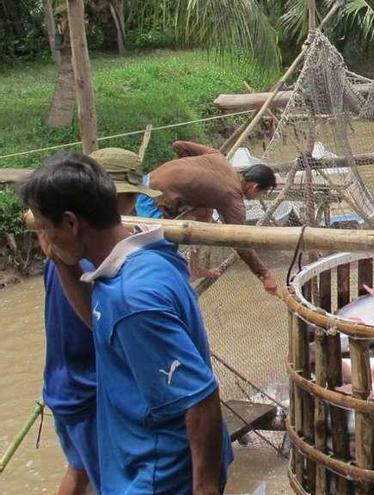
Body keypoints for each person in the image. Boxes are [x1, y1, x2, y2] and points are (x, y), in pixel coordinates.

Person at [22, 153, 233, 494]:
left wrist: (204, 488)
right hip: (143, 460)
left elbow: (201, 396)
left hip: (156, 474)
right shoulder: (146, 260)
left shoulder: (131, 298)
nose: (44, 237)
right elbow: (102, 326)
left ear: (72, 223)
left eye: (46, 228)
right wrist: (61, 263)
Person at [39, 147, 160, 495]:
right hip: (90, 393)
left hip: (62, 384)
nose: (135, 205)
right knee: (114, 484)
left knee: (78, 470)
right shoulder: (92, 264)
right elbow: (109, 329)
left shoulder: (63, 251)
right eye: (133, 197)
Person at [135, 141, 279, 293]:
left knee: (205, 212)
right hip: (151, 198)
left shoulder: (218, 157)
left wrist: (186, 176)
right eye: (262, 193)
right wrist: (264, 274)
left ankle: (195, 267)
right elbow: (239, 242)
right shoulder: (233, 200)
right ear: (254, 187)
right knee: (163, 257)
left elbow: (178, 145)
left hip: (148, 179)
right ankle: (151, 292)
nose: (259, 197)